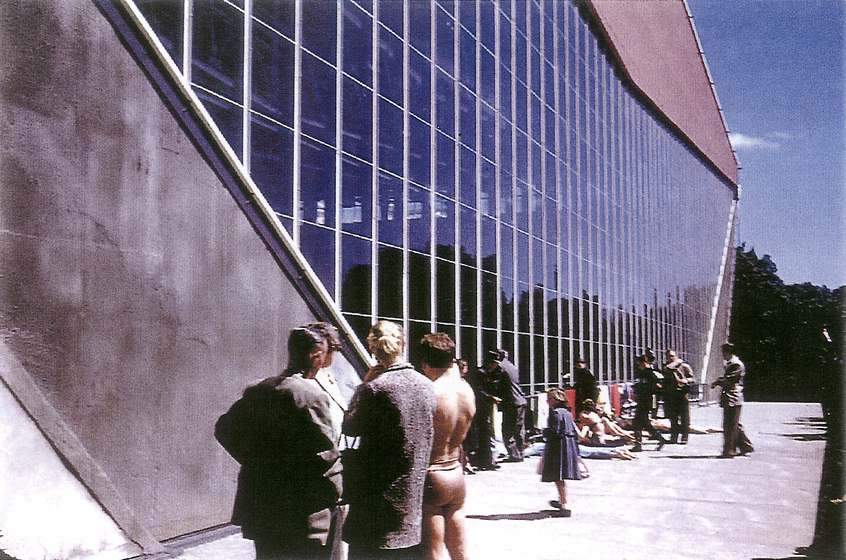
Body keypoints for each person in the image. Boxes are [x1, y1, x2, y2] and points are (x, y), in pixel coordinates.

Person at [215, 327, 342, 560]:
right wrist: (338, 494)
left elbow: (224, 429)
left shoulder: (258, 390)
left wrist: (253, 459)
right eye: (327, 354)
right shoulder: (310, 396)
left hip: (263, 507)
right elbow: (326, 458)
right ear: (315, 354)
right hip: (304, 513)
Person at [342, 321, 436, 559]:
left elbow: (350, 427)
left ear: (374, 350)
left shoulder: (375, 388)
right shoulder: (426, 385)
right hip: (411, 499)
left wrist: (363, 385)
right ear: (403, 345)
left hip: (374, 501)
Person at [418, 334, 476, 560]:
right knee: (460, 552)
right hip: (456, 471)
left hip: (433, 474)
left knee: (433, 553)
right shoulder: (466, 390)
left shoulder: (429, 392)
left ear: (424, 363)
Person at [540, 388, 582, 517]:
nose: (547, 401)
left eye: (549, 398)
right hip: (568, 445)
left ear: (554, 400)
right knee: (560, 477)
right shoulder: (567, 413)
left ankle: (565, 505)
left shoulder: (555, 413)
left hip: (558, 447)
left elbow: (555, 432)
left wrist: (544, 433)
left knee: (558, 477)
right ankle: (562, 501)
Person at [711, 343, 754, 458]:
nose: (722, 355)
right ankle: (746, 446)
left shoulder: (736, 364)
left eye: (723, 352)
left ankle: (729, 451)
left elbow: (729, 380)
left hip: (733, 398)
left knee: (730, 426)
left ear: (728, 352)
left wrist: (717, 382)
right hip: (731, 397)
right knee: (733, 424)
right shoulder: (731, 363)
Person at [488, 349, 527, 462]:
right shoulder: (511, 366)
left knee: (507, 429)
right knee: (519, 429)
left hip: (511, 402)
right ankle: (519, 453)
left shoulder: (501, 367)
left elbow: (497, 383)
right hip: (519, 401)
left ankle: (514, 454)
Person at [463, 362, 500, 471]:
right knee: (485, 434)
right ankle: (486, 461)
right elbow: (480, 391)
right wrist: (492, 398)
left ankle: (487, 460)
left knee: (487, 434)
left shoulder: (487, 373)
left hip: (485, 407)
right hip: (482, 408)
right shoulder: (481, 374)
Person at [630, 354, 667, 452]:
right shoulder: (641, 373)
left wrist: (641, 391)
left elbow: (654, 388)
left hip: (646, 401)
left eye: (639, 364)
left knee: (638, 422)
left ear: (644, 363)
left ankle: (638, 445)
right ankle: (659, 439)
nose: (638, 367)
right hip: (641, 400)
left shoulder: (650, 374)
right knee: (644, 423)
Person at [662, 349, 695, 444]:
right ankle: (674, 437)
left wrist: (686, 381)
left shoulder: (684, 366)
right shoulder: (667, 368)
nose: (670, 358)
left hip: (682, 394)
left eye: (672, 356)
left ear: (676, 356)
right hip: (671, 395)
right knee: (673, 417)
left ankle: (684, 437)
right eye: (668, 357)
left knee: (684, 417)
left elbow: (692, 378)